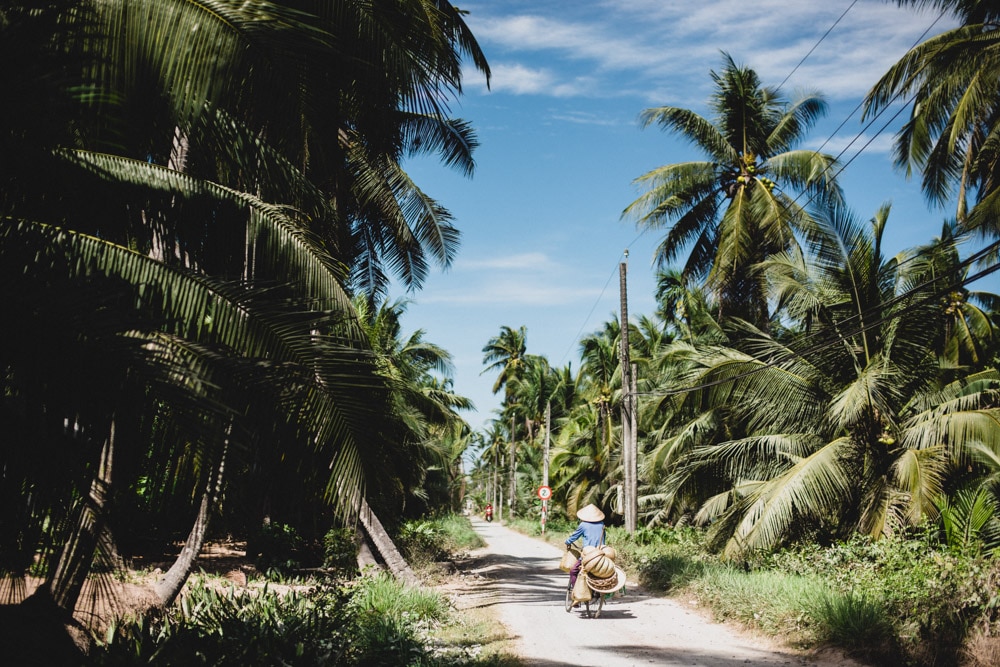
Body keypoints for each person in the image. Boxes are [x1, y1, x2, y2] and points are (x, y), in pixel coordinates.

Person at [564, 503, 605, 589]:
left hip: (588, 554)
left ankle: (577, 592)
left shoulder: (583, 525)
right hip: (601, 553)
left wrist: (567, 542)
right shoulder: (602, 524)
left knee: (573, 571)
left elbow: (574, 537)